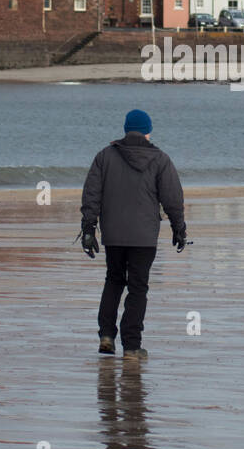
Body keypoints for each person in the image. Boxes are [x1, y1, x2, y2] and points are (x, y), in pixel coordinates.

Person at [79, 109, 186, 360]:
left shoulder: (104, 157)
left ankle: (106, 336)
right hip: (144, 237)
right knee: (138, 288)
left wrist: (88, 228)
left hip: (114, 234)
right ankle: (131, 346)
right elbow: (173, 199)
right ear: (148, 131)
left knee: (114, 280)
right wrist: (179, 229)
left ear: (126, 129)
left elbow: (91, 195)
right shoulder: (160, 159)